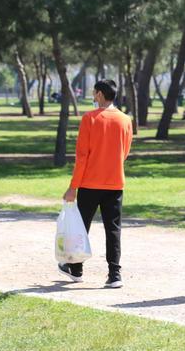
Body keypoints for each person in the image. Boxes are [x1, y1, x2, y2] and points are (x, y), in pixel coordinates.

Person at [58, 80, 133, 288]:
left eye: (94, 93)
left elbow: (82, 156)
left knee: (81, 227)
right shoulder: (126, 120)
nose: (93, 95)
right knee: (113, 229)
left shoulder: (89, 118)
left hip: (90, 183)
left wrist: (73, 186)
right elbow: (124, 152)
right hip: (115, 182)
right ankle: (115, 274)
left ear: (99, 94)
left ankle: (76, 269)